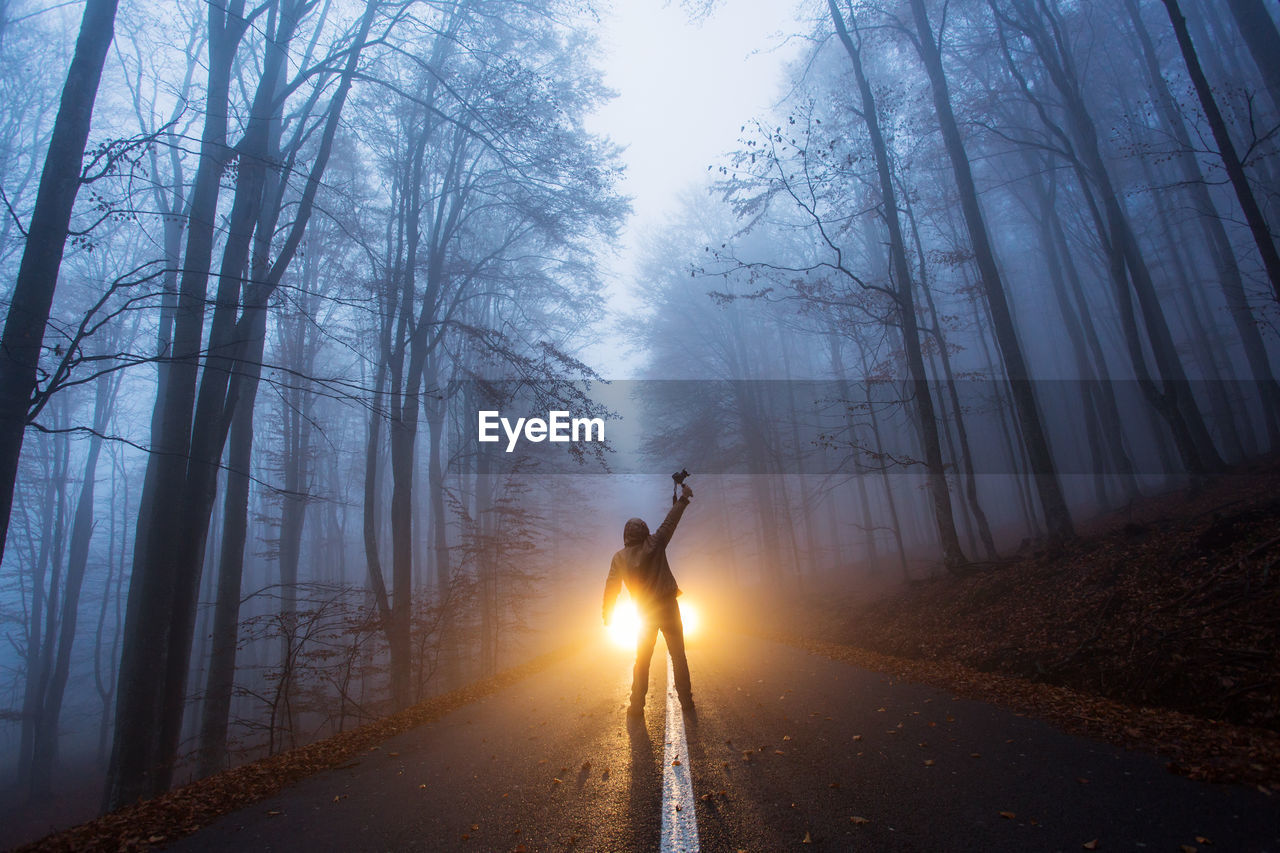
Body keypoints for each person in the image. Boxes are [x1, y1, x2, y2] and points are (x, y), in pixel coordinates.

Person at [602, 481, 695, 720]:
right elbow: (669, 522)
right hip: (668, 608)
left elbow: (611, 587)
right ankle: (686, 702)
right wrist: (683, 499)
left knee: (642, 660)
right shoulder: (656, 542)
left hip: (644, 614)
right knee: (678, 655)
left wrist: (608, 613)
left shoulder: (619, 558)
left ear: (625, 535)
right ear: (644, 531)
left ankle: (636, 707)